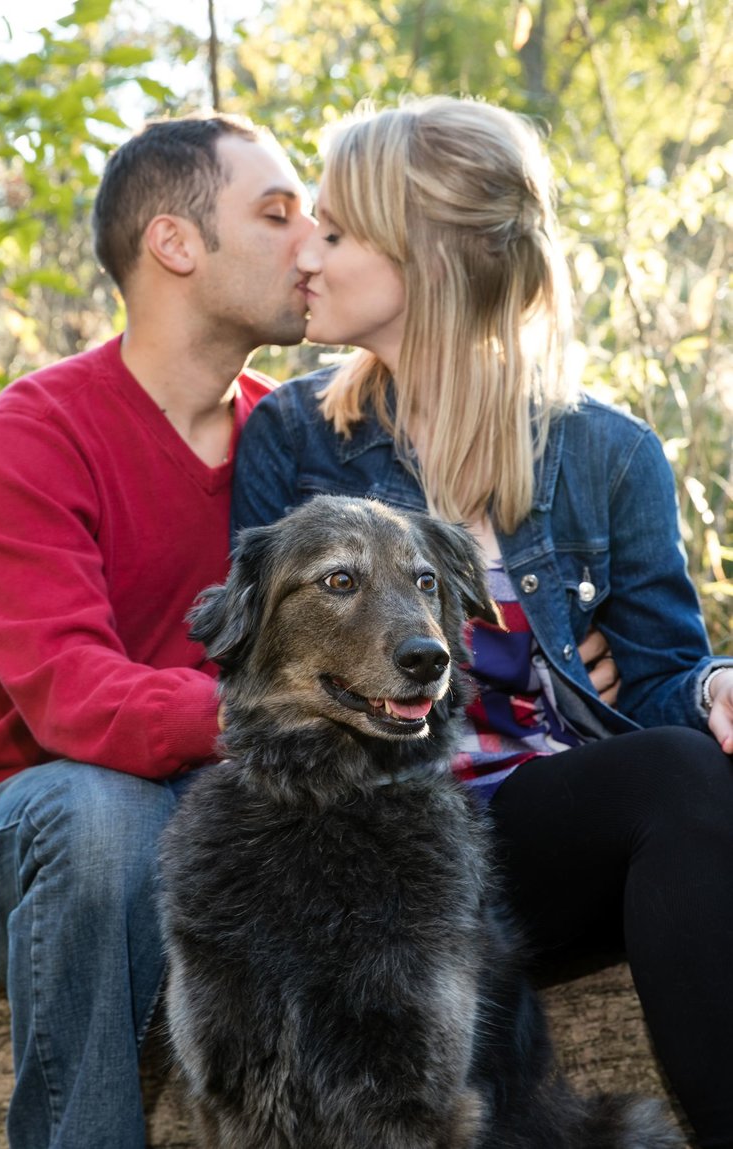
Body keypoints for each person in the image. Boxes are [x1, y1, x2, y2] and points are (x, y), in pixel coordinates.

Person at [235, 96, 733, 1144]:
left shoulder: (608, 454)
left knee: (687, 770)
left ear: (424, 257)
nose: (306, 259)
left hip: (540, 840)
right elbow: (266, 678)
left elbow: (654, 690)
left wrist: (710, 687)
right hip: (381, 839)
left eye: (334, 231)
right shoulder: (295, 440)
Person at [0, 112, 313, 1149]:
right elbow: (70, 694)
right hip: (37, 837)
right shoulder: (34, 435)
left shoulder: (293, 442)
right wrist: (274, 714)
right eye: (276, 212)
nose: (311, 241)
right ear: (175, 243)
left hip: (227, 817)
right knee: (102, 814)